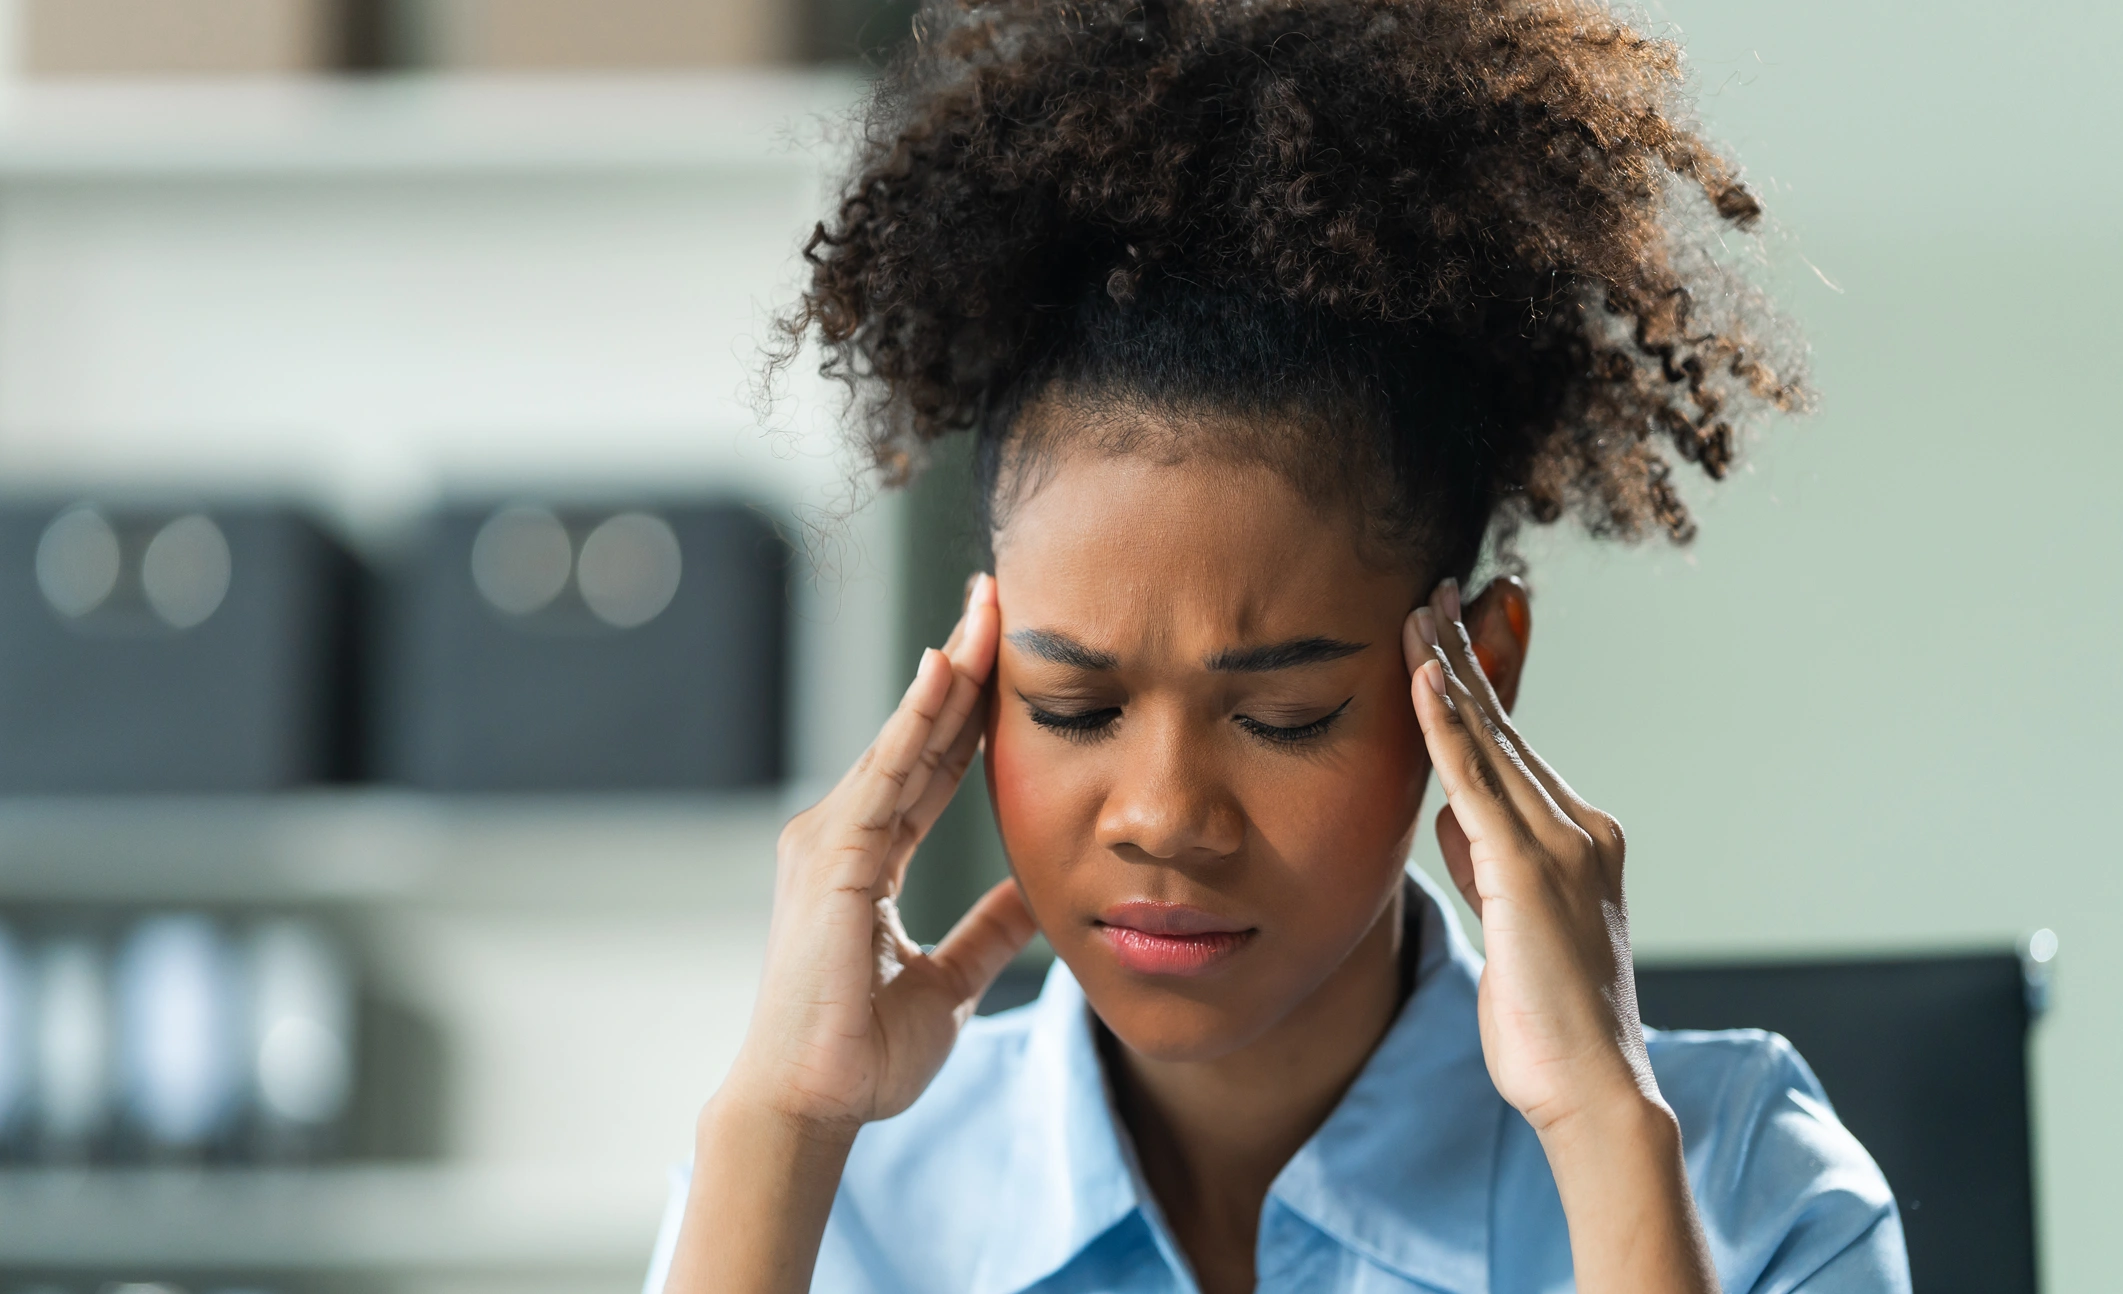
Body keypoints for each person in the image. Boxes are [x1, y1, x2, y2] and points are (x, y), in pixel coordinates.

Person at [653, 1, 1906, 1290]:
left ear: (1479, 679)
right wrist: (781, 1129)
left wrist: (1601, 1128)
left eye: (1283, 714)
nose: (1161, 818)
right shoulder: (822, 1198)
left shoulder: (1743, 1187)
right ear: (978, 677)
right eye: (1073, 703)